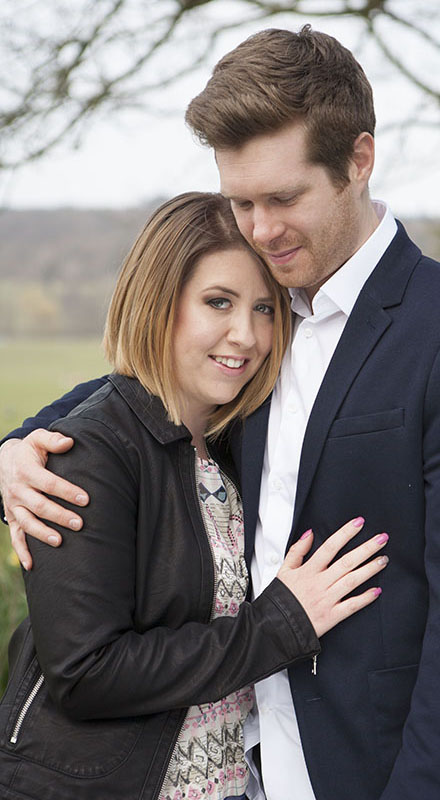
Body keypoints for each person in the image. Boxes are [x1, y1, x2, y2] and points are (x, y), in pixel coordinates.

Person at [0, 25, 440, 800]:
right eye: (241, 201)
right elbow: (138, 393)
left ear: (358, 160)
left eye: (283, 198)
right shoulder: (262, 328)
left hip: (369, 772)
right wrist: (16, 448)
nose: (259, 229)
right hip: (238, 771)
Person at [0, 191, 389, 800]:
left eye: (265, 308)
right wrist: (282, 624)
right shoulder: (87, 455)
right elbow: (86, 674)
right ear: (158, 302)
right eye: (218, 302)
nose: (247, 335)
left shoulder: (238, 442)